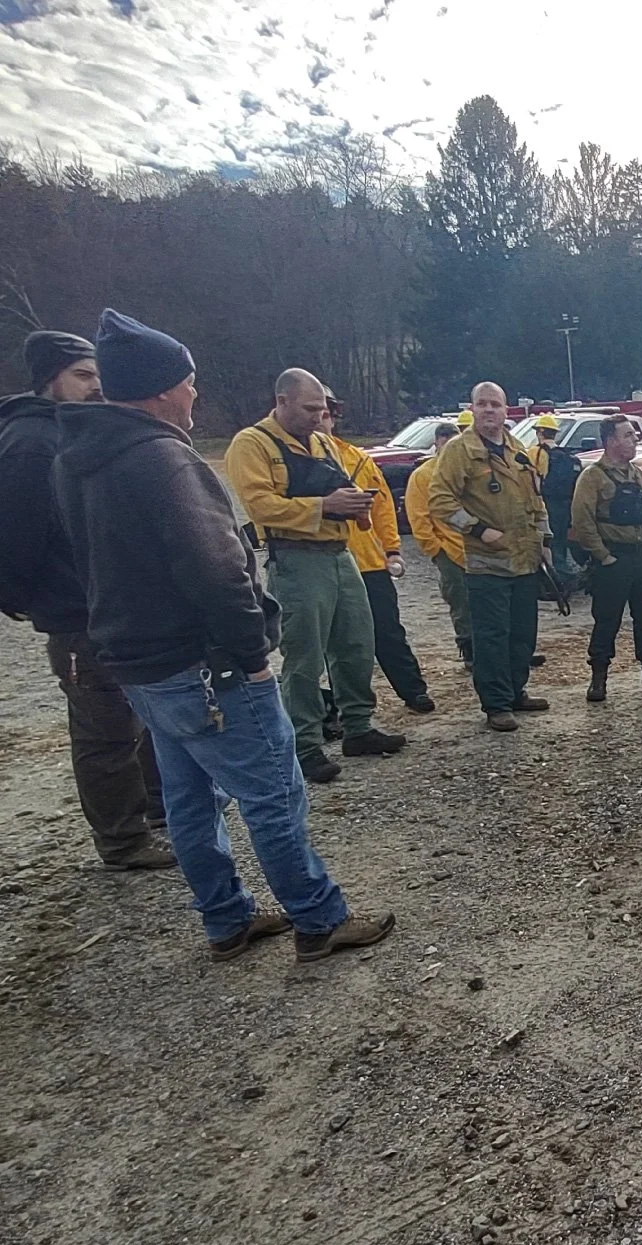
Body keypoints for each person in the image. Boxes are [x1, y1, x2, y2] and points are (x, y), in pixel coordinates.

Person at [52, 310, 393, 962]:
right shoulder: (162, 461)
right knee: (271, 791)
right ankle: (318, 919)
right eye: (188, 382)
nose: (194, 394)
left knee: (187, 797)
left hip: (139, 667)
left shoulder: (78, 458)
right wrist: (252, 656)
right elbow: (216, 569)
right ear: (158, 390)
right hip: (207, 666)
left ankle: (226, 919)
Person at [0, 329, 173, 871]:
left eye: (98, 374)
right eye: (82, 375)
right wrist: (27, 598)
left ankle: (154, 810)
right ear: (49, 377)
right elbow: (15, 536)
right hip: (76, 613)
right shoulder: (31, 443)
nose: (96, 386)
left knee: (135, 714)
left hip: (107, 603)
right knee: (104, 729)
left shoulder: (70, 431)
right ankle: (123, 840)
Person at [224, 368, 404, 782]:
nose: (317, 416)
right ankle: (304, 744)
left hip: (341, 555)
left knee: (357, 642)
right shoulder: (252, 444)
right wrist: (325, 506)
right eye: (309, 408)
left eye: (322, 408)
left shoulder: (323, 442)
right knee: (304, 655)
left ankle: (358, 727)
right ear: (282, 401)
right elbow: (261, 507)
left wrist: (357, 508)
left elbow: (340, 488)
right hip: (296, 559)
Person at [428, 381, 550, 732]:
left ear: (506, 410)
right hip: (487, 563)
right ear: (471, 409)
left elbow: (535, 502)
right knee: (492, 636)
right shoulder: (458, 451)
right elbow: (439, 500)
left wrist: (545, 541)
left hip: (525, 559)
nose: (488, 410)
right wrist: (478, 529)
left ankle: (515, 691)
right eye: (481, 404)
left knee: (522, 633)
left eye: (495, 404)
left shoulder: (517, 449)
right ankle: (496, 705)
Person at [323, 391, 432, 713]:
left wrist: (393, 550)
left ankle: (414, 691)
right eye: (315, 412)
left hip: (370, 563)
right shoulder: (297, 461)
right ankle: (349, 709)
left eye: (327, 413)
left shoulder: (358, 458)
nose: (322, 419)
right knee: (340, 644)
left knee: (388, 632)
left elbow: (382, 507)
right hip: (327, 563)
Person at [571, 414, 642, 702]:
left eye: (634, 435)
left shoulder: (639, 475)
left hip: (641, 559)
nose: (635, 439)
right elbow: (582, 522)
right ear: (611, 441)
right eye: (628, 435)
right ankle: (598, 677)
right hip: (612, 560)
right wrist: (603, 557)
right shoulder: (592, 477)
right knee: (607, 620)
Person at [406, 422, 473, 668]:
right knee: (460, 602)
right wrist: (435, 550)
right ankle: (469, 650)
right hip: (449, 550)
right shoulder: (423, 476)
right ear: (436, 443)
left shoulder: (466, 470)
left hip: (477, 547)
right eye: (444, 443)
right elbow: (419, 517)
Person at [535, 413, 583, 580]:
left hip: (546, 504)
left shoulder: (536, 453)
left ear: (540, 432)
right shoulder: (567, 455)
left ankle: (556, 579)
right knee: (560, 541)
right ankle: (564, 574)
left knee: (548, 542)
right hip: (566, 505)